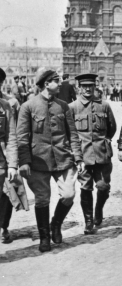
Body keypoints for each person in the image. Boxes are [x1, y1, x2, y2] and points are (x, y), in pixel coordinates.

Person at [17, 70, 84, 252]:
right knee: (42, 199)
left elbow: (73, 135)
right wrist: (24, 161)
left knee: (69, 194)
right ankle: (44, 237)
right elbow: (22, 137)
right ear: (46, 83)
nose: (60, 83)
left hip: (62, 158)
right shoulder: (28, 107)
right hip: (39, 161)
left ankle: (56, 224)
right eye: (56, 81)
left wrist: (78, 157)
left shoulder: (63, 106)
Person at [68, 73, 117, 234]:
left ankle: (99, 209)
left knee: (103, 186)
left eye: (91, 86)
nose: (88, 89)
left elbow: (112, 128)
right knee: (86, 188)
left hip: (102, 154)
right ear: (79, 88)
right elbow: (71, 133)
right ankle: (89, 221)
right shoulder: (72, 107)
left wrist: (106, 141)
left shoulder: (104, 105)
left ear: (95, 86)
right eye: (84, 86)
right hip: (83, 156)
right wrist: (76, 156)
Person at [0, 67, 21, 244]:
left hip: (2, 162)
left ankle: (3, 226)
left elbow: (11, 136)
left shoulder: (6, 106)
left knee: (6, 195)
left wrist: (13, 164)